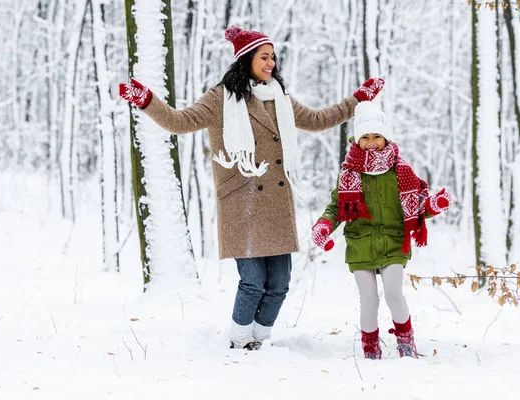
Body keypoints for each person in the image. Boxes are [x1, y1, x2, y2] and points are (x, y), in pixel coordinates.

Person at [119, 25, 384, 350]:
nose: (271, 62)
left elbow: (316, 120)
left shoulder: (280, 98)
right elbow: (180, 122)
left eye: (273, 57)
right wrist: (148, 102)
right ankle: (239, 339)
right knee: (253, 282)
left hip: (276, 201)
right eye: (264, 56)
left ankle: (259, 338)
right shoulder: (220, 99)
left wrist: (357, 99)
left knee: (280, 283)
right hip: (240, 199)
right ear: (246, 58)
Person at [311, 101, 451, 359]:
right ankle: (370, 349)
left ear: (386, 138)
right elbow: (337, 207)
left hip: (393, 241)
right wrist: (324, 225)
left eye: (377, 136)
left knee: (394, 294)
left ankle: (406, 344)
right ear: (357, 139)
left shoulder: (401, 171)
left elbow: (417, 206)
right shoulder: (348, 172)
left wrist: (434, 204)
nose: (371, 142)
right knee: (369, 299)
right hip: (360, 243)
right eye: (365, 137)